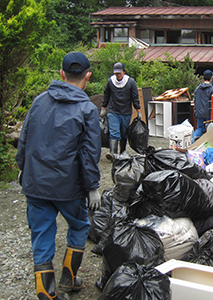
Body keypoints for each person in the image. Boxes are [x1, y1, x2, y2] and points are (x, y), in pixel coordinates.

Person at [15, 52, 102, 300]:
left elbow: (24, 138)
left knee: (41, 232)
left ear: (61, 74)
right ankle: (70, 277)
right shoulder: (87, 108)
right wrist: (93, 186)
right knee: (79, 225)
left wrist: (22, 168)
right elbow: (89, 153)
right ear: (88, 76)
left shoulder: (39, 101)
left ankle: (45, 292)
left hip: (36, 183)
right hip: (68, 187)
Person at [100, 62, 141, 161]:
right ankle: (113, 154)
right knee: (114, 132)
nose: (118, 75)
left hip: (126, 112)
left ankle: (122, 152)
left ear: (124, 71)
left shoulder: (130, 82)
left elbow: (135, 97)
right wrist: (104, 108)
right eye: (116, 73)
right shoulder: (110, 82)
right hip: (113, 111)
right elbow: (106, 95)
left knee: (124, 133)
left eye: (119, 73)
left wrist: (138, 110)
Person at [193, 69, 213, 139]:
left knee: (200, 128)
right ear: (211, 78)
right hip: (208, 113)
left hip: (199, 112)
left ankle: (194, 140)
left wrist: (196, 110)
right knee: (209, 129)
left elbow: (195, 100)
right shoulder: (212, 89)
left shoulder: (197, 88)